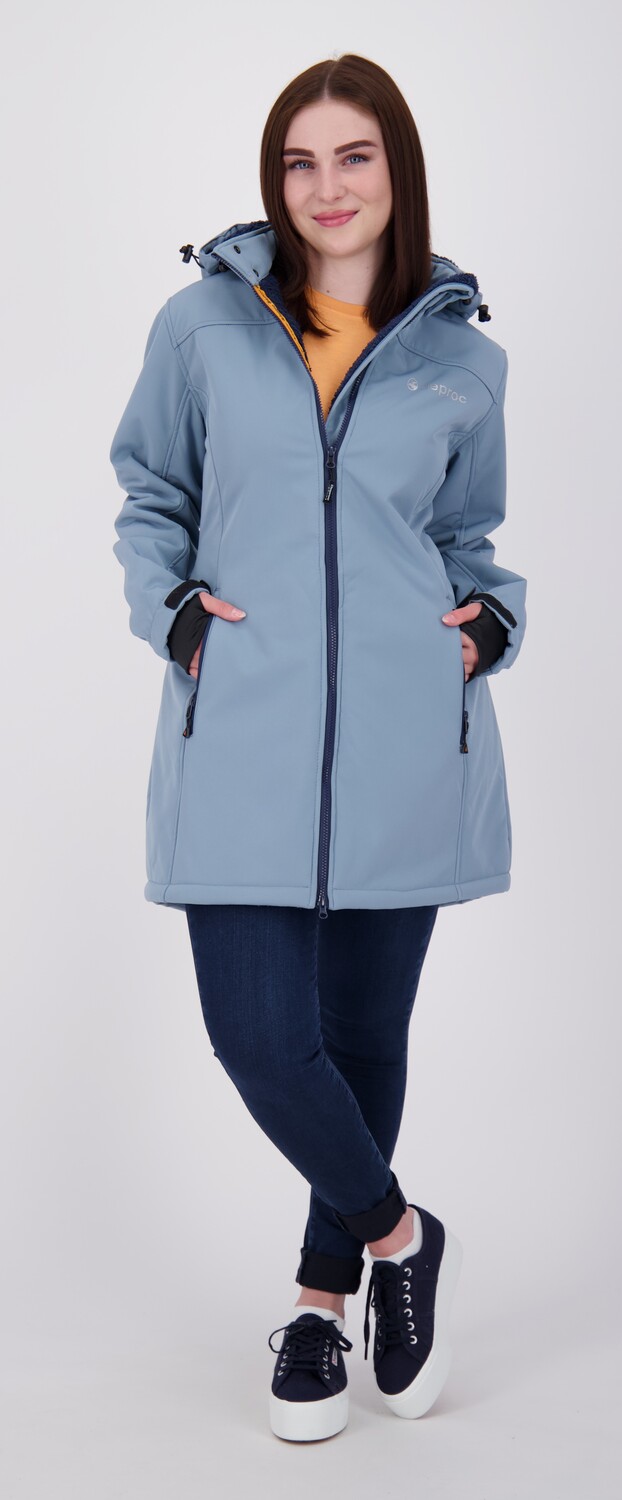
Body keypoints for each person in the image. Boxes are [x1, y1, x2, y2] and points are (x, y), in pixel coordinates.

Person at [109, 52, 527, 1444]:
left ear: (396, 171)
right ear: (272, 180)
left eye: (354, 156)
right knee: (259, 1038)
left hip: (410, 746)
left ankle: (315, 1301)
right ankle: (401, 1236)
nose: (326, 186)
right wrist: (174, 613)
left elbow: (467, 540)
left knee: (359, 1037)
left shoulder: (464, 360)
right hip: (240, 731)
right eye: (300, 160)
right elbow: (149, 492)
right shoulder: (202, 327)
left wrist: (488, 626)